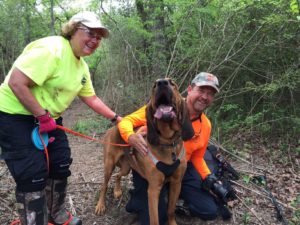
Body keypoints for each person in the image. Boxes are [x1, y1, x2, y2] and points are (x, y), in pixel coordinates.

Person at [0, 11, 121, 225]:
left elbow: (91, 98)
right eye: (90, 33)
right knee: (33, 173)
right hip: (15, 116)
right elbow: (16, 82)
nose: (94, 40)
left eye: (98, 37)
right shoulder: (51, 49)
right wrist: (41, 115)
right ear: (73, 30)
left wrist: (117, 118)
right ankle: (34, 220)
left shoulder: (81, 66)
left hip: (48, 119)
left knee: (61, 163)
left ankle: (55, 214)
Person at [118, 72, 229, 225]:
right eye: (201, 91)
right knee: (153, 218)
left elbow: (197, 157)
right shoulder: (161, 108)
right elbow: (126, 121)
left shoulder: (206, 125)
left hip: (181, 165)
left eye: (210, 94)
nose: (204, 97)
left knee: (208, 210)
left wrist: (209, 177)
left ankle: (174, 192)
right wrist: (130, 136)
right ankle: (140, 198)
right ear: (189, 89)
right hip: (153, 164)